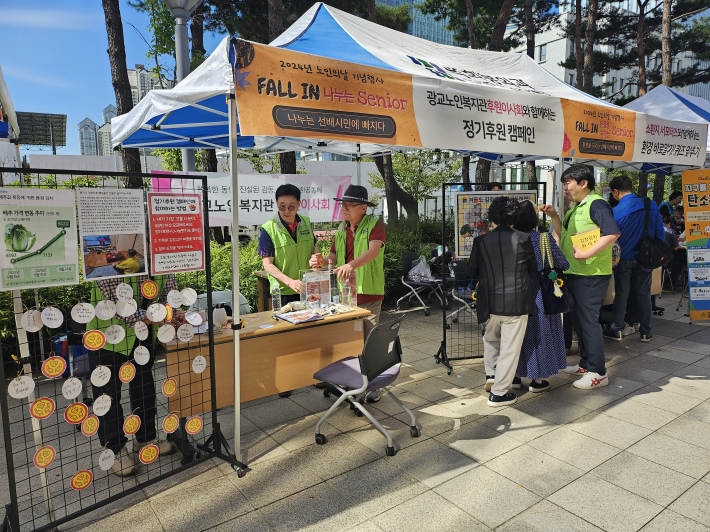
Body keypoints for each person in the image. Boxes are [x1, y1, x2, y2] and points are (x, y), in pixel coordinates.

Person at [87, 273, 175, 476]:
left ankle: (146, 438)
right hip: (107, 337)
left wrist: (173, 311)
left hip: (142, 335)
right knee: (107, 396)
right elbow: (116, 307)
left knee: (144, 388)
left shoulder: (160, 252)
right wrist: (157, 315)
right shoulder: (112, 255)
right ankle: (115, 450)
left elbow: (168, 295)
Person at [541, 165, 620, 390]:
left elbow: (613, 232)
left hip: (591, 274)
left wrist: (587, 253)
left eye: (568, 183)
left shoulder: (596, 204)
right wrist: (555, 215)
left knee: (588, 321)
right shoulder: (579, 206)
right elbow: (562, 234)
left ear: (583, 183)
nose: (565, 187)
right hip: (575, 272)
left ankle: (598, 372)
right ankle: (586, 364)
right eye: (564, 183)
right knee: (579, 320)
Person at [309, 185, 386, 400]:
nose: (344, 209)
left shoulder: (376, 224)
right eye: (342, 205)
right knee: (347, 338)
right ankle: (349, 378)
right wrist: (324, 261)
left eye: (349, 205)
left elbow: (372, 252)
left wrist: (350, 265)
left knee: (369, 339)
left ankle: (373, 385)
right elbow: (334, 256)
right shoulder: (342, 228)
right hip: (345, 295)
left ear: (363, 208)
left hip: (368, 292)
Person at [468, 197, 537, 407]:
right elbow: (532, 269)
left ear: (492, 217)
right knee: (510, 349)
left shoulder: (480, 241)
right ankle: (499, 393)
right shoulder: (524, 238)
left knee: (490, 340)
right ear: (514, 218)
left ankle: (491, 376)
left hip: (488, 302)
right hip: (516, 302)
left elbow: (472, 271)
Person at [259, 184, 320, 398]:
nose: (287, 211)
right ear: (276, 204)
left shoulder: (307, 223)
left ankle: (316, 375)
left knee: (311, 335)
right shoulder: (268, 228)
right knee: (285, 338)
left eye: (291, 206)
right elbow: (267, 264)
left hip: (307, 289)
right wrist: (288, 281)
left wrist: (316, 260)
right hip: (282, 292)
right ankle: (285, 381)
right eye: (282, 206)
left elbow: (314, 249)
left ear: (299, 205)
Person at [513, 201, 570, 393]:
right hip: (539, 296)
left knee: (515, 337)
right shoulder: (543, 239)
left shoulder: (509, 239)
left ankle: (513, 376)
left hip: (514, 296)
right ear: (534, 219)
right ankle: (537, 380)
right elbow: (564, 263)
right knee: (538, 335)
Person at [604, 174, 664, 343]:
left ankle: (617, 330)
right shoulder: (650, 205)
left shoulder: (615, 211)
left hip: (624, 257)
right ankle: (646, 332)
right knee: (643, 295)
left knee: (622, 294)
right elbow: (659, 232)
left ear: (616, 192)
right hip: (646, 258)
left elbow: (610, 236)